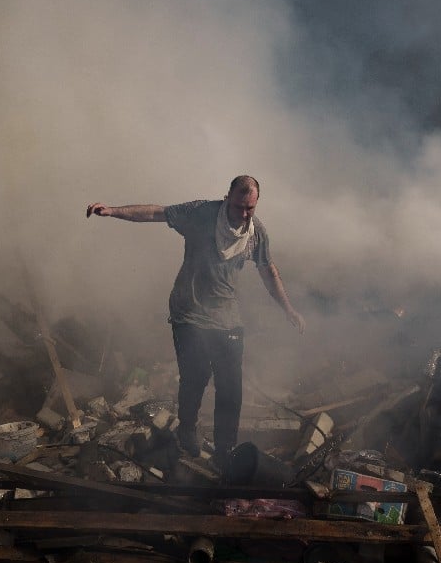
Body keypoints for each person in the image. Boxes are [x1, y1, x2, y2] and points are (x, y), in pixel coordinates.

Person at [86, 175, 305, 460]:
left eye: (250, 208)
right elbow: (156, 213)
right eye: (239, 207)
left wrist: (288, 309)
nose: (243, 214)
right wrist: (113, 211)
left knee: (230, 385)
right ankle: (187, 429)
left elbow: (268, 271)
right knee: (196, 376)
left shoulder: (255, 233)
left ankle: (225, 449)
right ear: (227, 198)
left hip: (226, 316)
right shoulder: (201, 213)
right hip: (189, 312)